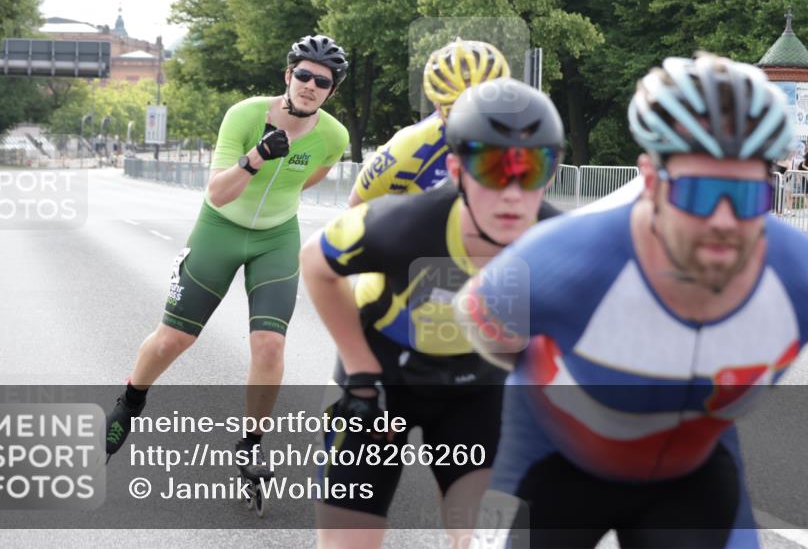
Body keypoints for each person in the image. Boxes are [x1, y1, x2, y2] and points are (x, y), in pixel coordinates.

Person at [457, 53, 808, 548]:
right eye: (700, 194)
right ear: (650, 182)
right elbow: (480, 317)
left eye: (748, 198)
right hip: (551, 456)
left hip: (692, 470)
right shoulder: (565, 262)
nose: (724, 221)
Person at [300, 78, 564, 549]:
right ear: (457, 171)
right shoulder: (401, 225)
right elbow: (314, 263)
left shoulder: (556, 238)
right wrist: (358, 365)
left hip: (473, 389)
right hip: (379, 386)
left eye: (533, 167)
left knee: (489, 540)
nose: (510, 191)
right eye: (490, 167)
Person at [103, 35, 351, 481]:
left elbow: (309, 179)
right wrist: (255, 158)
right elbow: (217, 192)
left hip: (276, 237)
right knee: (173, 339)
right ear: (288, 75)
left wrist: (277, 196)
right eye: (303, 75)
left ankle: (251, 445)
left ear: (332, 91)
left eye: (322, 81)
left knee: (270, 345)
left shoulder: (334, 136)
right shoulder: (246, 115)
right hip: (220, 228)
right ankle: (131, 400)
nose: (310, 85)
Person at [347, 39, 510, 206]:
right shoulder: (410, 146)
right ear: (437, 106)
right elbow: (357, 208)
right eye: (455, 107)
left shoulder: (524, 136)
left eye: (485, 104)